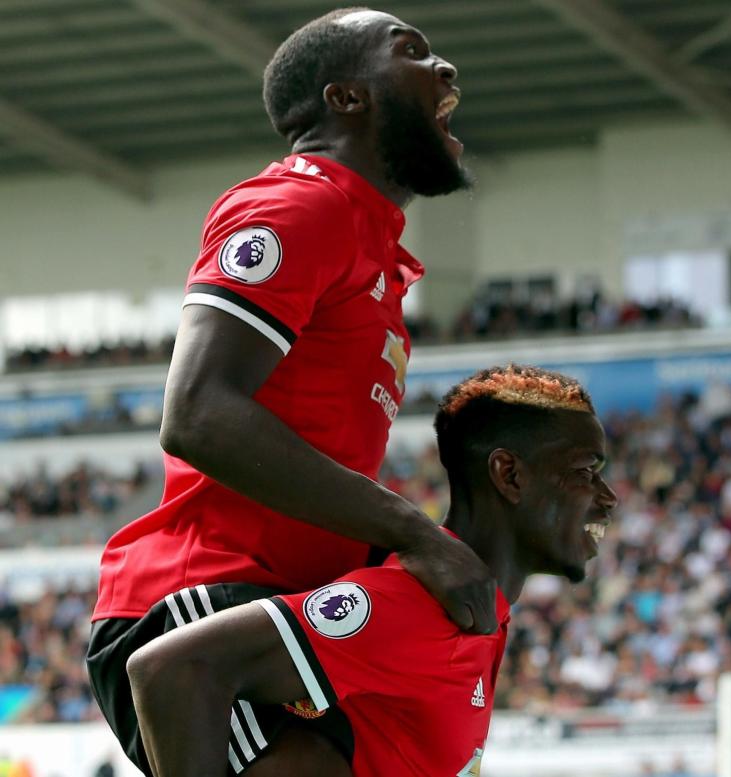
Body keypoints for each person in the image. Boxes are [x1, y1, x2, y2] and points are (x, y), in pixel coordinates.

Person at [86, 7, 496, 774]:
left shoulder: (374, 255)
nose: (446, 70)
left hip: (292, 610)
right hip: (203, 598)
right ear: (346, 98)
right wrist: (415, 533)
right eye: (412, 52)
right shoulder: (299, 206)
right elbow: (198, 413)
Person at [126, 365, 619, 776]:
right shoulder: (419, 606)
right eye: (584, 472)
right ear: (509, 475)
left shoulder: (481, 612)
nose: (608, 496)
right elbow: (171, 668)